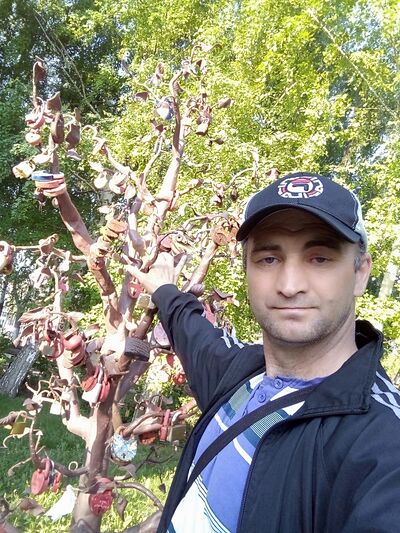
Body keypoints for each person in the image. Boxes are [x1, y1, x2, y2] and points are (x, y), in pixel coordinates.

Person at [133, 171, 400, 533]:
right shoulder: (239, 375)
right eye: (269, 259)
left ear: (360, 273)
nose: (290, 286)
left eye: (320, 258)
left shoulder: (381, 441)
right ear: (246, 269)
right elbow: (191, 330)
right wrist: (164, 289)